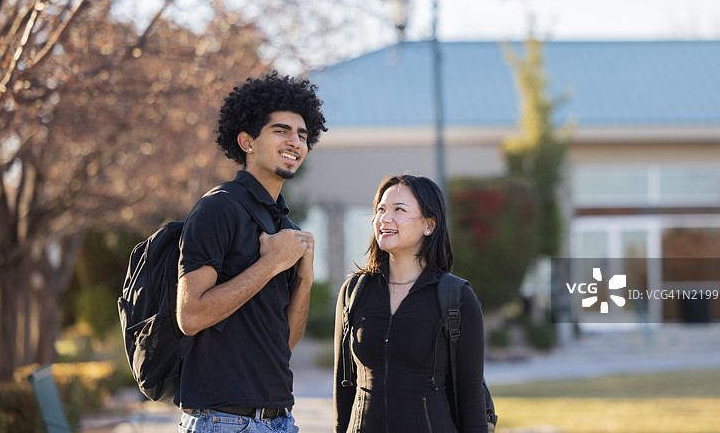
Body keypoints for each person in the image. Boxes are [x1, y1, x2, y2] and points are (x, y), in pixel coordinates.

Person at [176, 72, 327, 433]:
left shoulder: (286, 228)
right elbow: (190, 315)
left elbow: (283, 343)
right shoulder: (219, 208)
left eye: (302, 135)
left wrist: (303, 281)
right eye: (281, 131)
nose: (295, 142)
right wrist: (272, 263)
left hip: (280, 420)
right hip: (222, 420)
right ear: (247, 141)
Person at [333, 174, 488, 433]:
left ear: (429, 225)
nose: (385, 218)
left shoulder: (457, 297)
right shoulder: (354, 291)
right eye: (380, 210)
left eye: (399, 210)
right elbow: (343, 386)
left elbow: (471, 397)